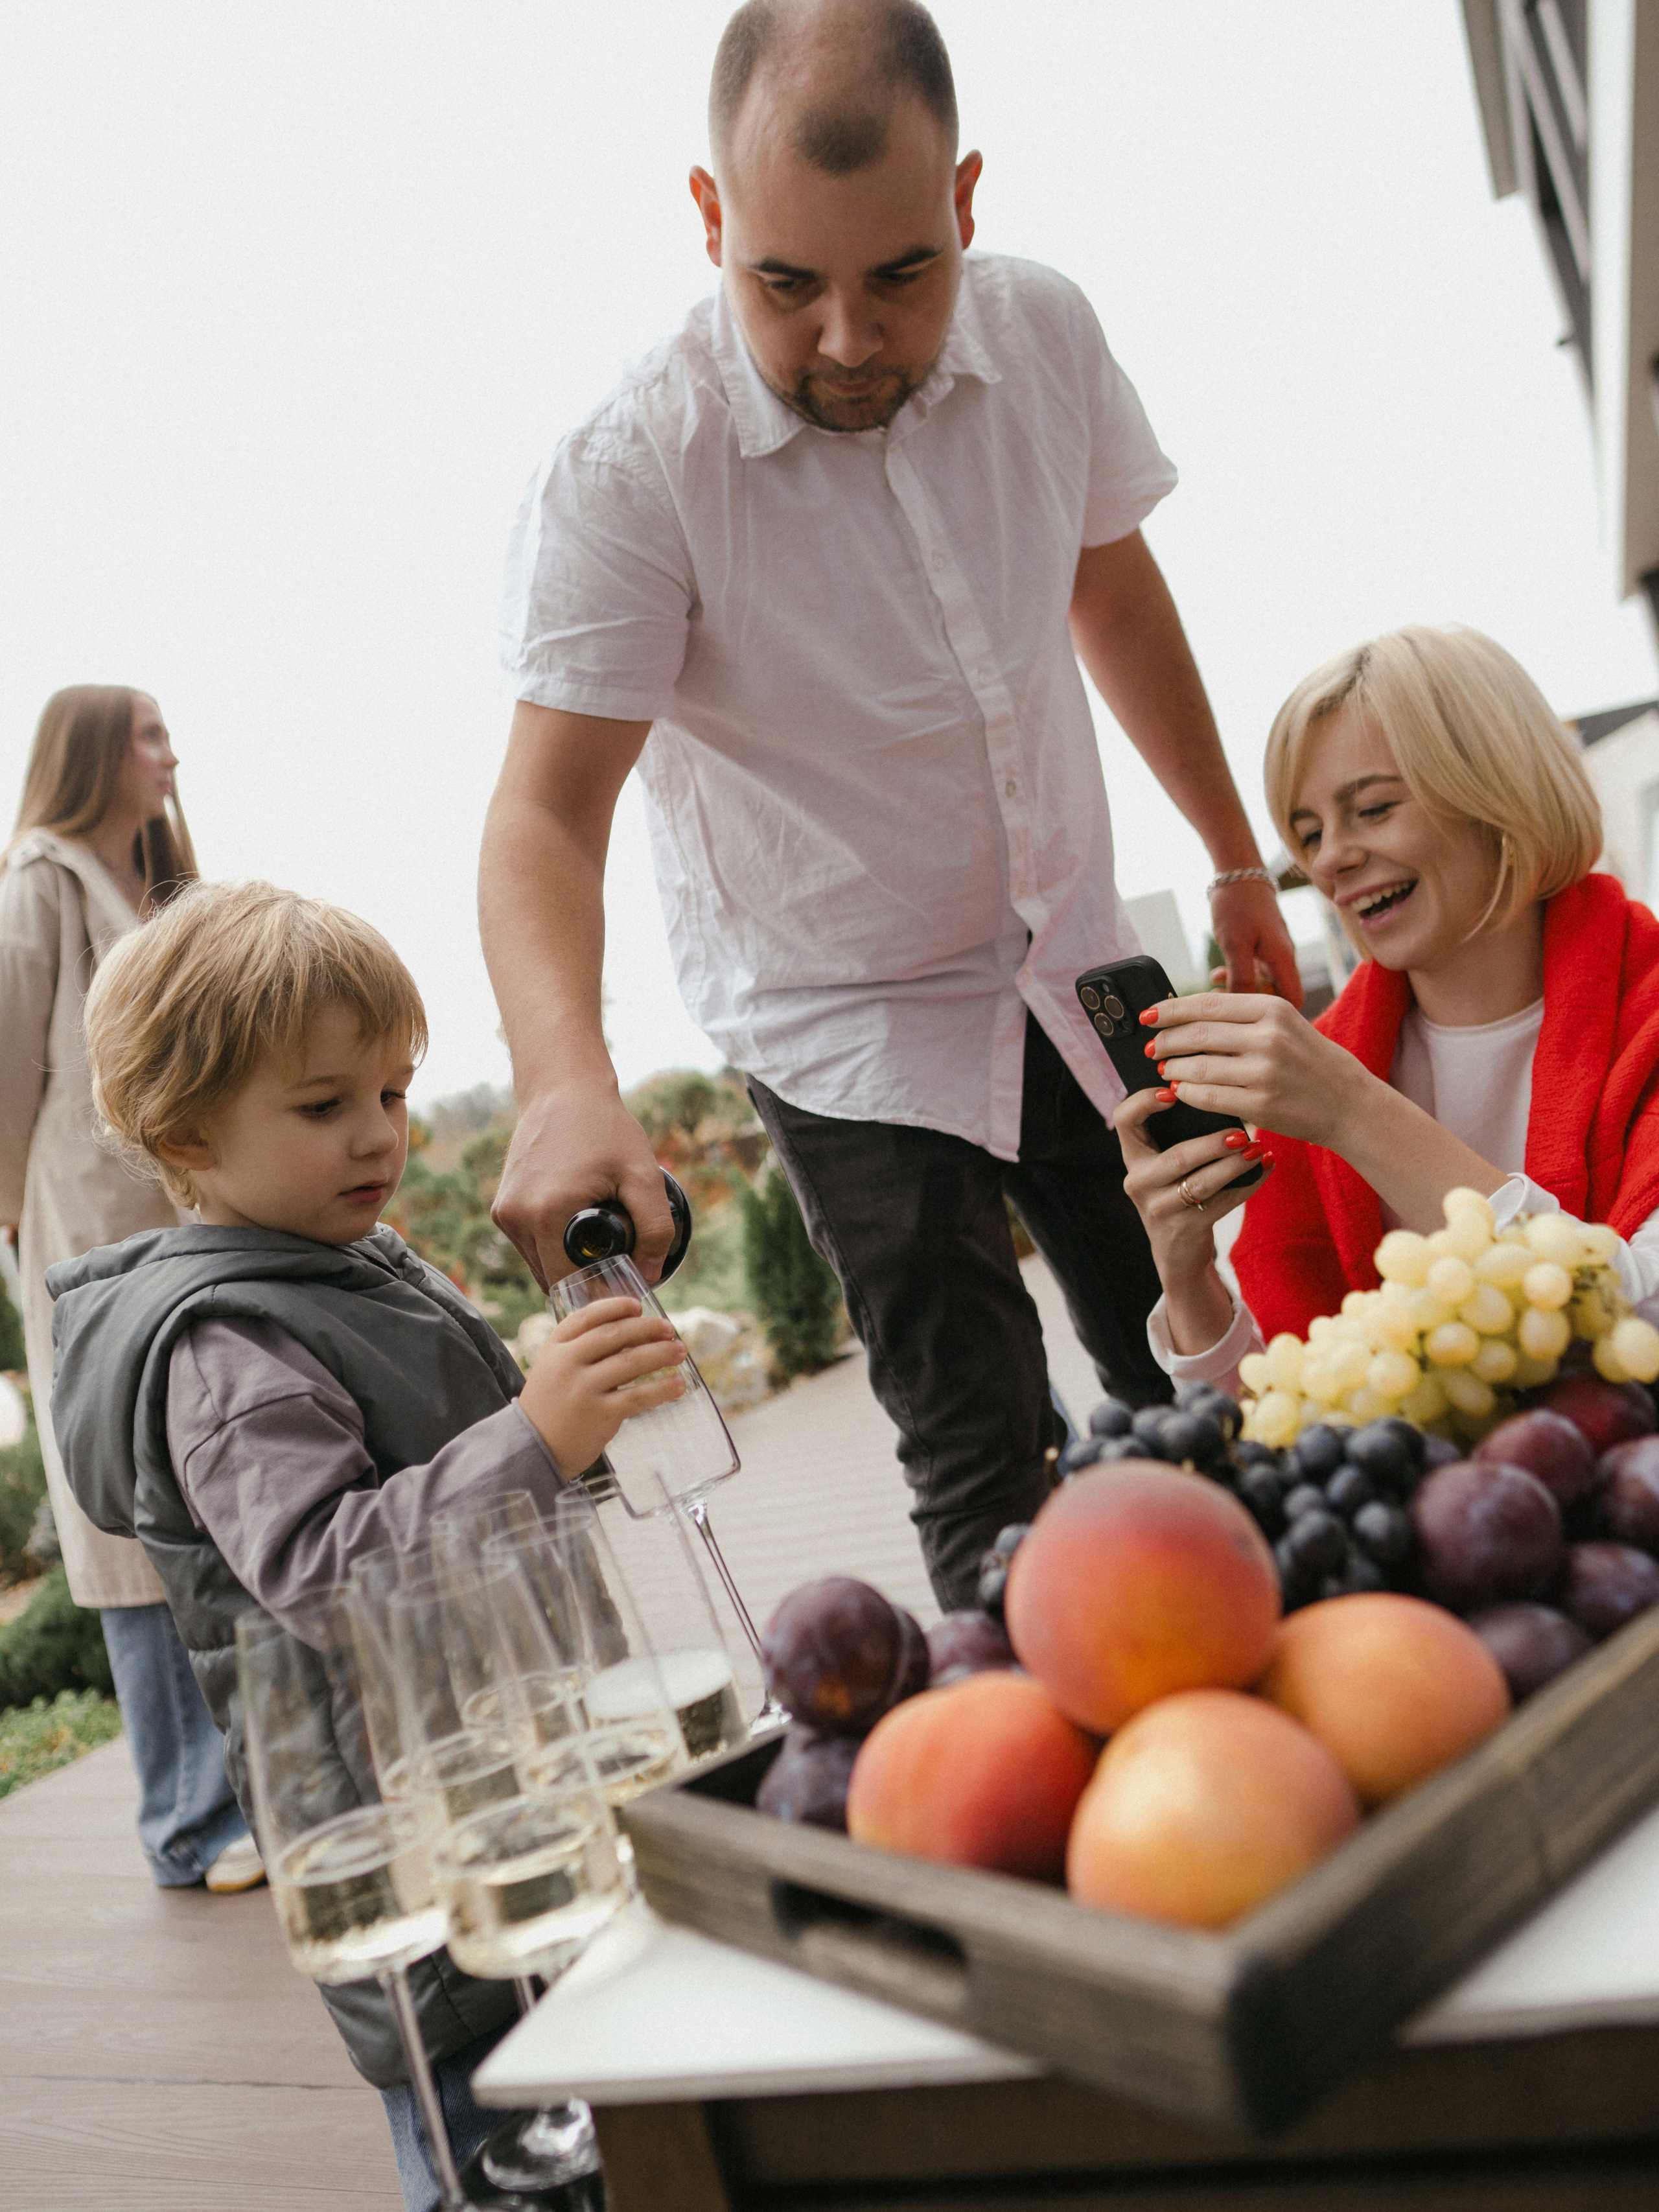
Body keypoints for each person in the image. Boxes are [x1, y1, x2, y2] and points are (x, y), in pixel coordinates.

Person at [484, 0, 1299, 1609]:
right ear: (710, 218)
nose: (847, 339)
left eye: (899, 275)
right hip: (838, 1015)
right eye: (785, 284)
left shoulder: (1047, 335)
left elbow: (1114, 602)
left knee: (1207, 1360)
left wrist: (1229, 859)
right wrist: (561, 1075)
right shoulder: (629, 469)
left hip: (1071, 950)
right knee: (980, 1442)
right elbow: (545, 816)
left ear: (965, 204)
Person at [45, 878, 689, 2212]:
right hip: (419, 1853)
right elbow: (334, 1576)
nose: (378, 1133)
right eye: (324, 1101)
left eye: (393, 1092)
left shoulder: (345, 1264)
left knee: (621, 2116)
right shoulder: (226, 1348)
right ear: (180, 1130)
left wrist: (577, 1387)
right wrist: (538, 1429)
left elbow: (438, 1441)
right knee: (490, 2150)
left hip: (511, 1777)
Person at [1117, 625, 1659, 1389]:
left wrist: (1356, 1113)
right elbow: (1281, 1435)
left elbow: (1637, 1325)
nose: (1327, 858)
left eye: (1370, 809)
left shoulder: (1329, 1086)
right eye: (1308, 831)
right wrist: (1185, 1274)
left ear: (1498, 794)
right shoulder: (1318, 1071)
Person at [0, 685, 256, 1892]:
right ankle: (188, 1822)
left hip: (179, 1219)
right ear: (92, 753)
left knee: (209, 1483)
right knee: (124, 1514)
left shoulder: (156, 892)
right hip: (86, 1231)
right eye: (150, 733)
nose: (171, 754)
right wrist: (19, 1212)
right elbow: (5, 1054)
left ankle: (248, 1787)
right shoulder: (42, 880)